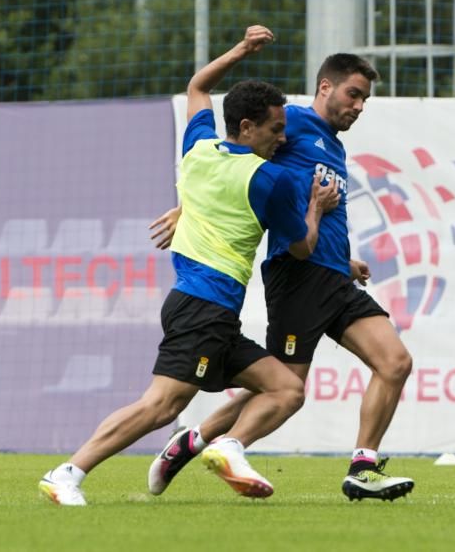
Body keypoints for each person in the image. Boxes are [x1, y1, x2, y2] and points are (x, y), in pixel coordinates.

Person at [39, 25, 339, 506]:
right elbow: (302, 248)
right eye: (275, 129)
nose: (282, 139)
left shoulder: (198, 148)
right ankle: (67, 472)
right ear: (246, 128)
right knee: (160, 405)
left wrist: (241, 50)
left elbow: (198, 87)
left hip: (207, 310)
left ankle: (225, 446)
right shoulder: (272, 179)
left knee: (285, 387)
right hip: (203, 307)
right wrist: (316, 209)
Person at [147, 53, 415, 502]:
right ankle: (213, 443)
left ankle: (362, 468)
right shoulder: (288, 121)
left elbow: (312, 215)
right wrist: (189, 207)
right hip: (296, 277)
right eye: (353, 94)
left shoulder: (334, 145)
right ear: (325, 87)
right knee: (284, 389)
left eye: (365, 99)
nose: (359, 106)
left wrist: (345, 260)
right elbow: (229, 160)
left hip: (333, 276)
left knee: (395, 363)